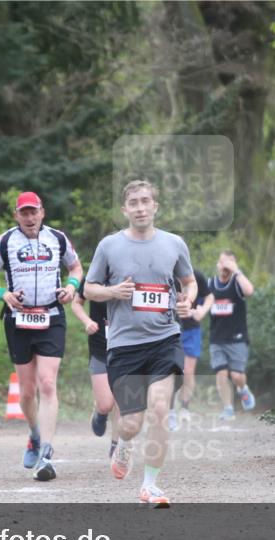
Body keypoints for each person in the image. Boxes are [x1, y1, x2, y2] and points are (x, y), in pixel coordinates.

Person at [84, 180, 197, 506]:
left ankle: (150, 485)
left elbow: (188, 283)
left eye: (146, 201)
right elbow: (90, 289)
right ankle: (123, 442)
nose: (140, 207)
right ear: (125, 209)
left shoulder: (174, 243)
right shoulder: (109, 246)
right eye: (133, 202)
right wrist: (112, 293)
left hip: (165, 338)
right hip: (123, 346)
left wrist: (187, 301)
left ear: (155, 206)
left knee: (160, 409)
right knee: (131, 423)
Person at [0, 192, 82, 482]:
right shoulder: (5, 241)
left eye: (33, 212)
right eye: (23, 213)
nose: (29, 218)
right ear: (16, 215)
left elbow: (75, 267)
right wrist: (4, 294)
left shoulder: (58, 239)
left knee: (47, 383)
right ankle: (35, 435)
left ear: (42, 213)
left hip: (51, 317)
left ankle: (47, 454)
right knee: (26, 392)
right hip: (18, 320)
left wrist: (72, 287)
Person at [203, 250, 255, 422]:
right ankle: (228, 408)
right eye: (223, 262)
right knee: (221, 375)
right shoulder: (210, 284)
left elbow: (249, 291)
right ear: (218, 264)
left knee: (237, 375)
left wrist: (237, 270)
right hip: (217, 339)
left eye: (229, 263)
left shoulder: (237, 283)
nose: (225, 267)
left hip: (237, 338)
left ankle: (243, 389)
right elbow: (199, 301)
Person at [69, 291, 120, 456]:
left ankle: (116, 445)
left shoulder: (133, 272)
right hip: (100, 348)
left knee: (122, 398)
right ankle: (100, 412)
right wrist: (87, 321)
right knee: (106, 404)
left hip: (126, 347)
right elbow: (76, 303)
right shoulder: (95, 275)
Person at [167, 269, 211, 431]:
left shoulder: (195, 275)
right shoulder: (163, 271)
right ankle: (170, 410)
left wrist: (202, 310)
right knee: (172, 370)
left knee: (189, 370)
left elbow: (209, 296)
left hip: (191, 330)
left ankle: (185, 407)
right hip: (170, 328)